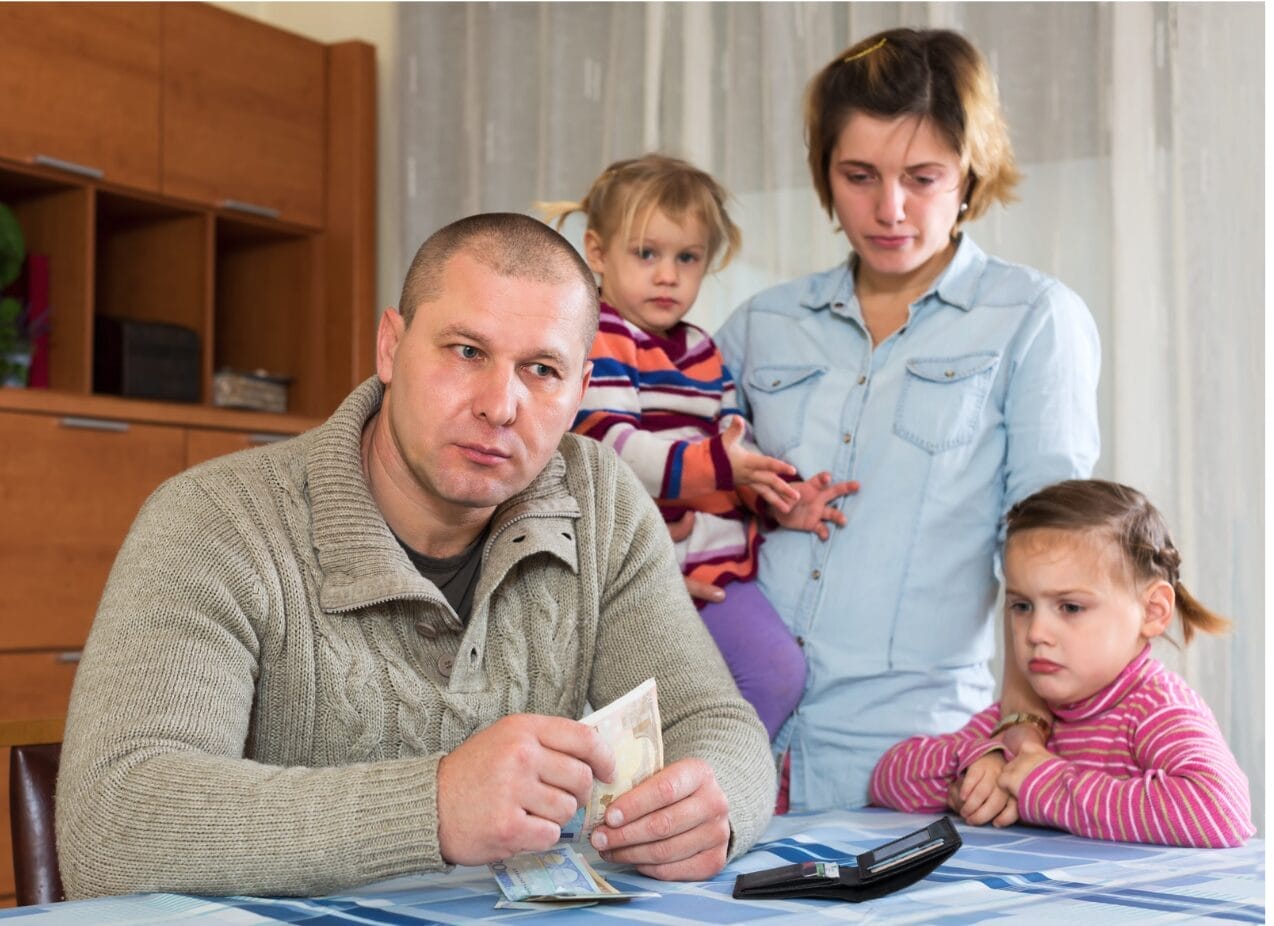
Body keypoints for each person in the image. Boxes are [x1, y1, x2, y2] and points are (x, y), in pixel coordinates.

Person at [55, 213, 776, 899]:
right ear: (390, 347)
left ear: (581, 390)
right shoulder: (216, 521)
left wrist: (715, 805)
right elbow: (111, 825)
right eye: (467, 352)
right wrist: (430, 807)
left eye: (542, 370)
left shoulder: (601, 501)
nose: (500, 405)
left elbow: (716, 721)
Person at [715, 28, 1101, 811]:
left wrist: (1024, 724)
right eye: (859, 176)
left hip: (911, 759)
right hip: (728, 737)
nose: (889, 210)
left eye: (922, 177)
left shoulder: (1032, 319)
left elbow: (1048, 557)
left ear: (969, 171)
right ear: (825, 174)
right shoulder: (761, 325)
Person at [542, 154, 857, 740]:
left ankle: (714, 786)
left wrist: (779, 498)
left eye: (687, 258)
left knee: (774, 674)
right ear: (597, 252)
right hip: (629, 568)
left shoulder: (703, 352)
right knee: (635, 709)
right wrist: (719, 466)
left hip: (710, 567)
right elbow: (610, 448)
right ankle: (681, 794)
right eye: (647, 254)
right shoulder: (598, 337)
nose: (668, 275)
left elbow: (736, 449)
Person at [869, 479, 1254, 848]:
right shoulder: (1022, 720)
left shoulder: (1155, 709)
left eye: (1070, 607)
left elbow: (1220, 810)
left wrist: (1048, 785)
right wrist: (974, 767)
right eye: (1021, 606)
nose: (1036, 632)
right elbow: (887, 779)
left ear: (1152, 611)